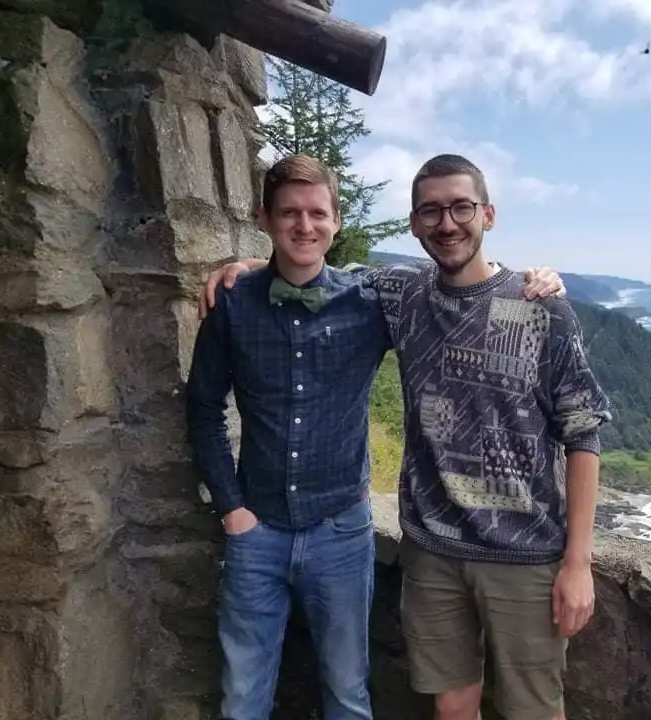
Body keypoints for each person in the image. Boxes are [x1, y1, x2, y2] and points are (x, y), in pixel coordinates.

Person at [202, 153, 612, 720]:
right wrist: (245, 265)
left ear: (488, 214)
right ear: (415, 224)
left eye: (461, 207)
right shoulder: (401, 294)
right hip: (433, 551)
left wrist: (577, 562)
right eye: (430, 212)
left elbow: (583, 433)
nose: (447, 223)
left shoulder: (541, 308)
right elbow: (308, 265)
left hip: (525, 553)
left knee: (534, 712)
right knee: (451, 709)